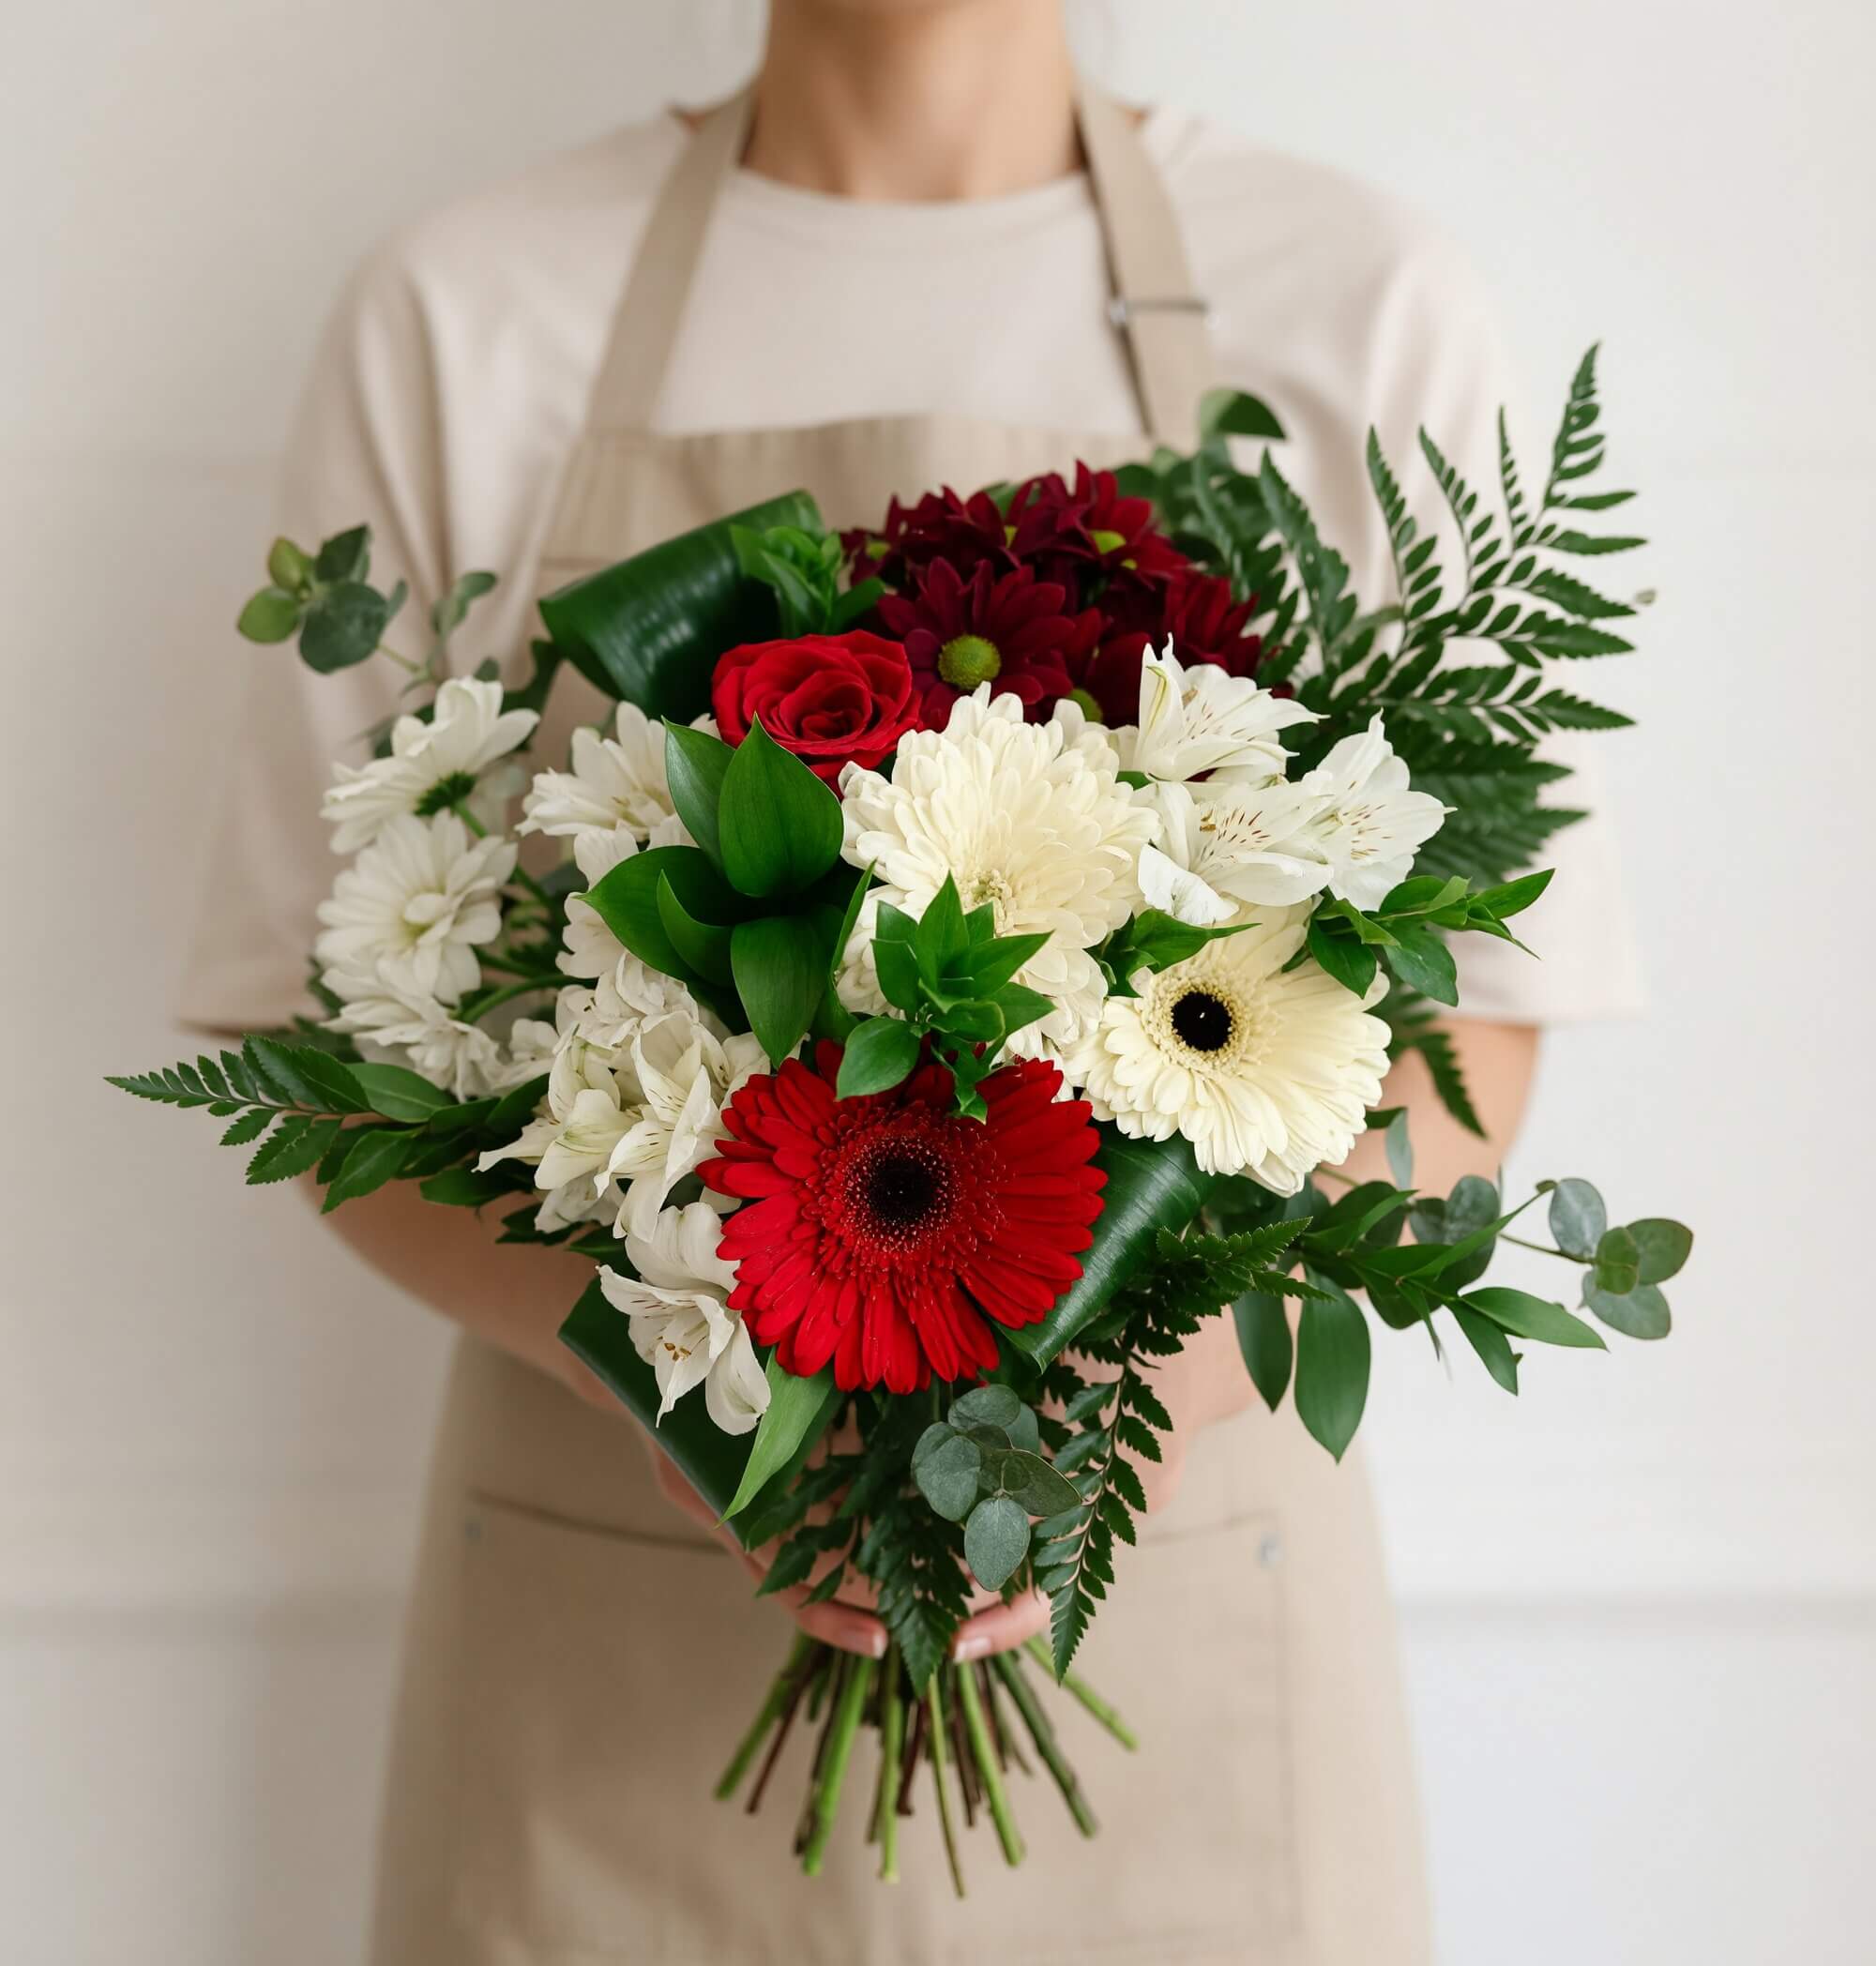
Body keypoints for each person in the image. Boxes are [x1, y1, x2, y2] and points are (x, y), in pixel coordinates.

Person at [178, 1, 1640, 1958]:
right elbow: (324, 1051)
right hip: (613, 1650)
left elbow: (1464, 1022)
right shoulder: (471, 308)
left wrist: (1105, 1408)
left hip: (1182, 1616)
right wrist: (723, 1409)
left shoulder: (1349, 296)